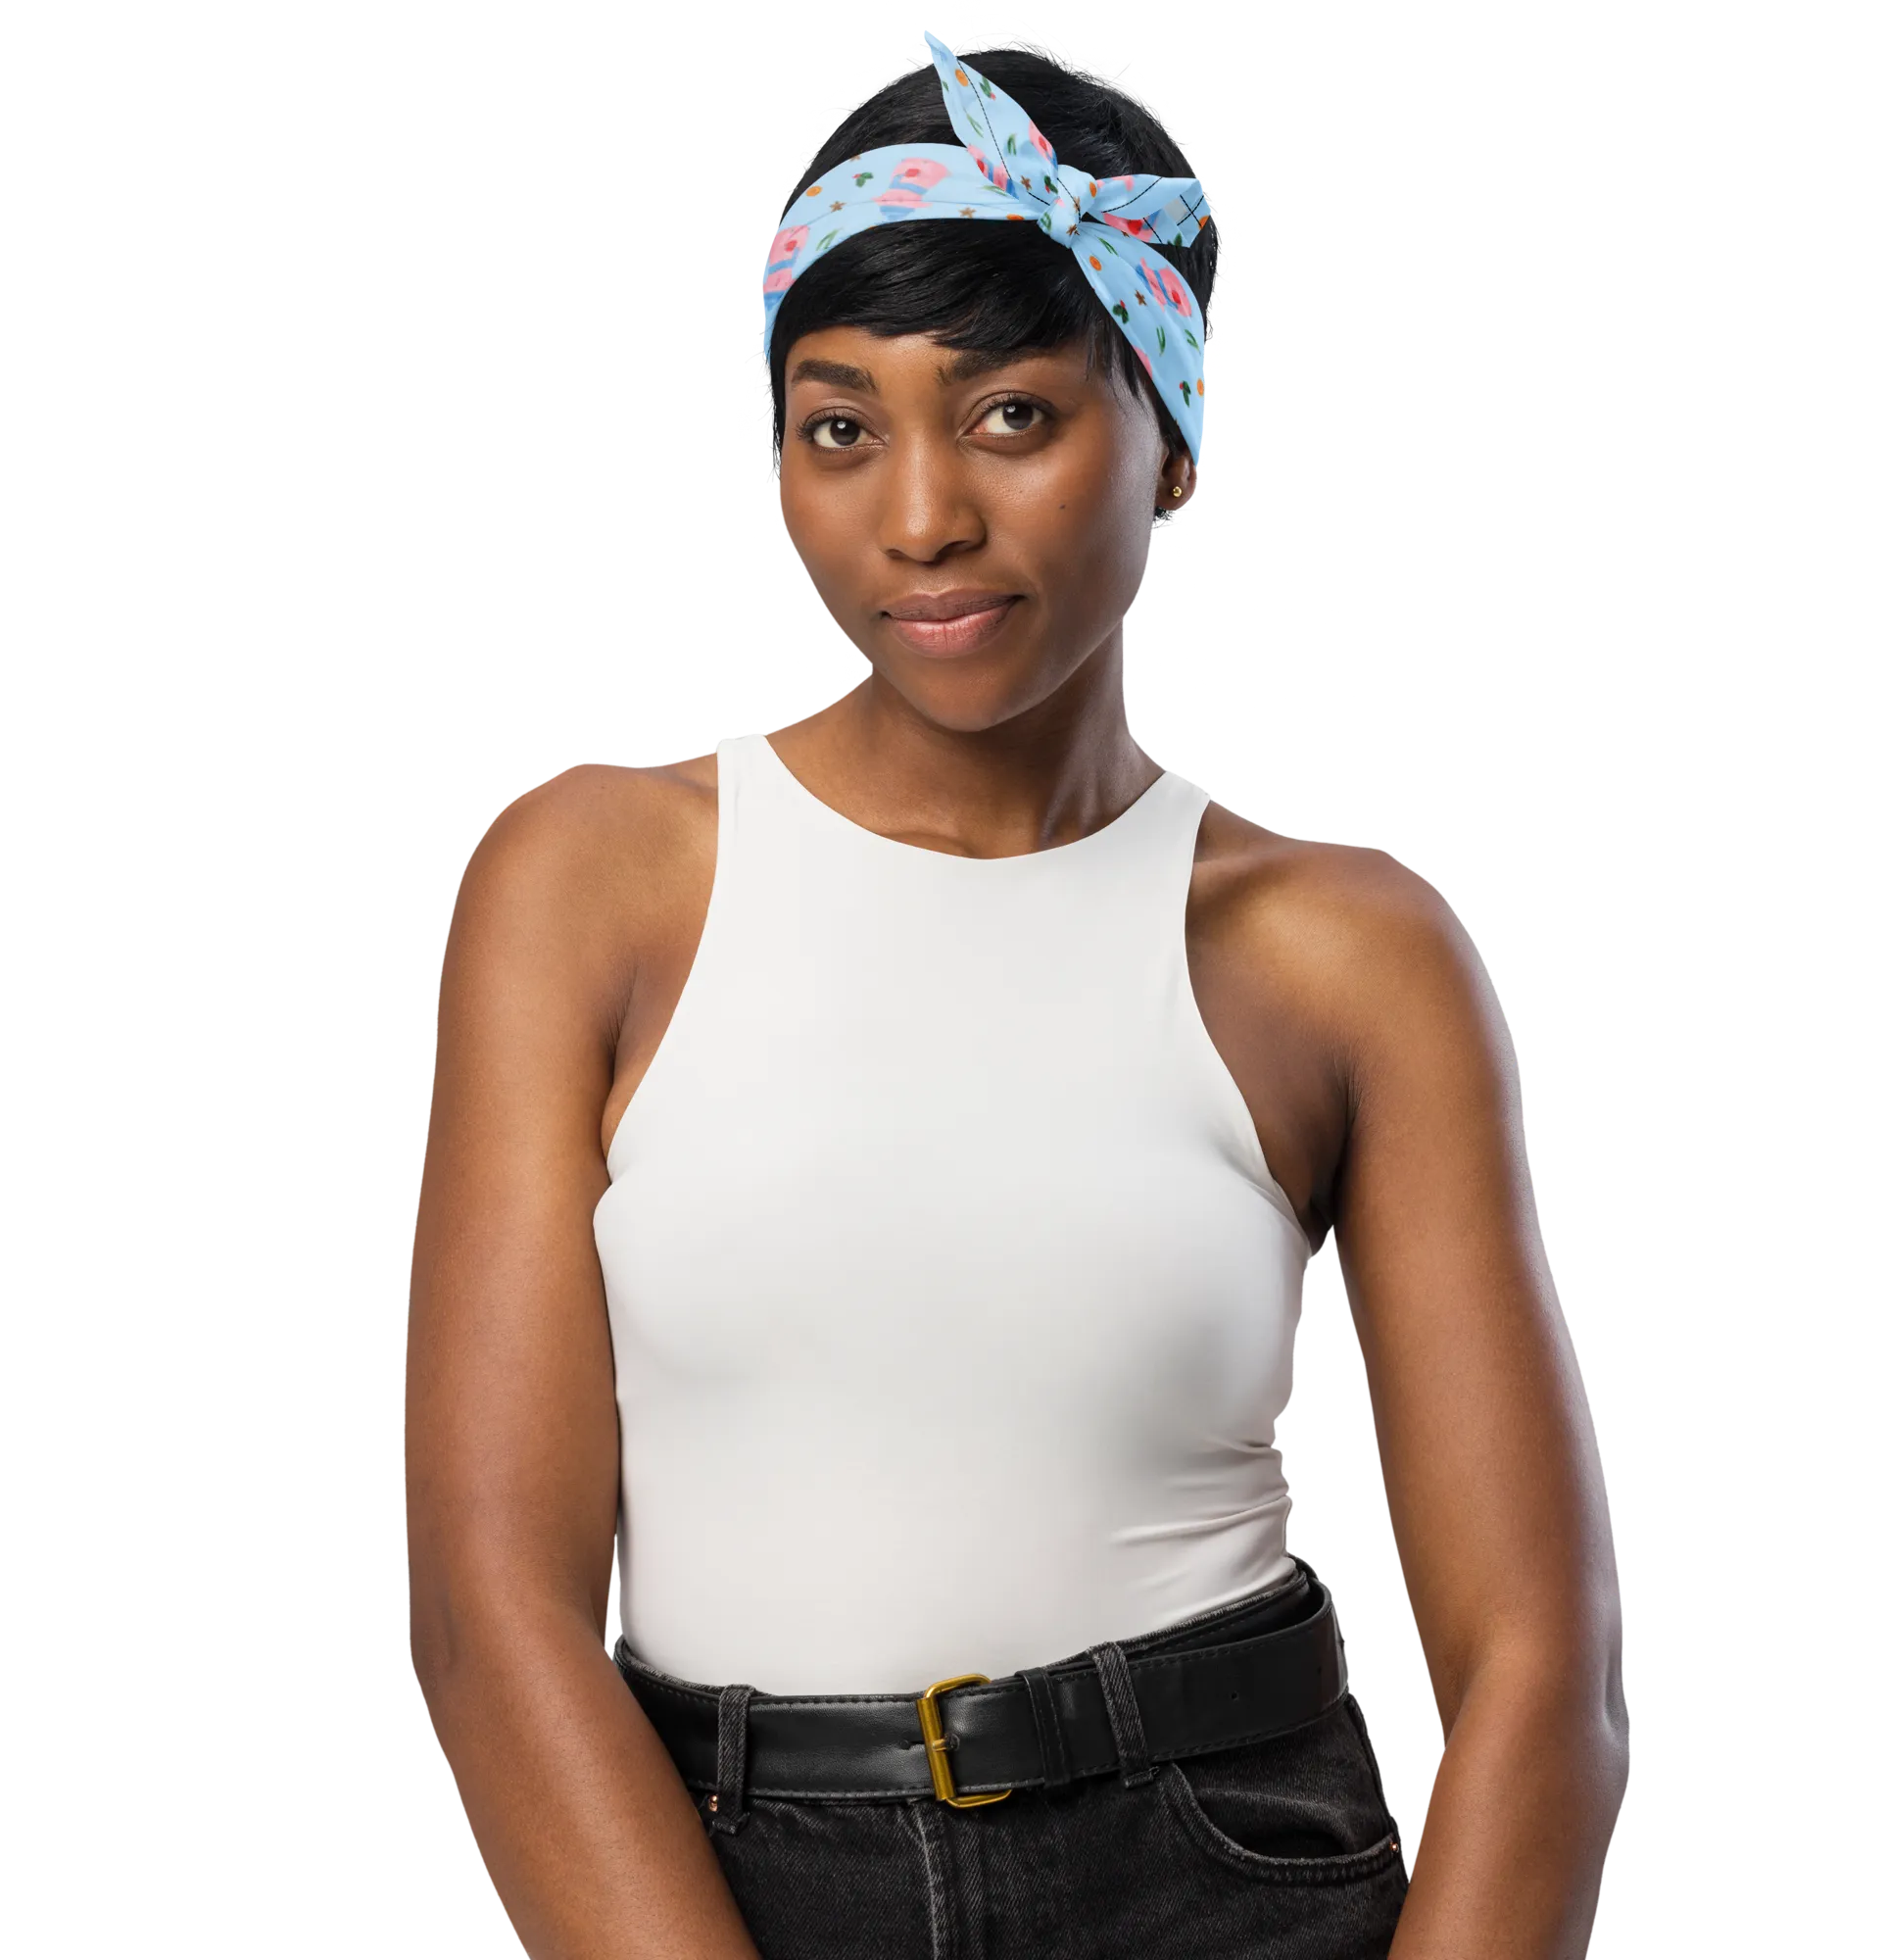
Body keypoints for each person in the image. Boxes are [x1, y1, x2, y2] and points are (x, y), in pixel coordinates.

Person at [405, 28, 1628, 1959]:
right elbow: (494, 1607)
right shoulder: (592, 885)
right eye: (842, 427)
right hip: (727, 1879)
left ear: (1173, 430)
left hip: (1228, 1871)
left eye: (1012, 416)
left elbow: (1539, 1661)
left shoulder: (1343, 952)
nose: (920, 519)